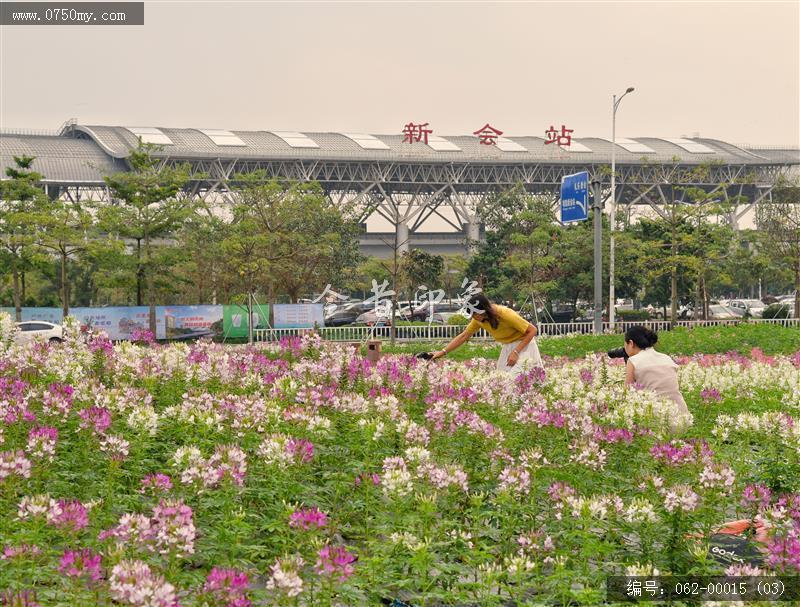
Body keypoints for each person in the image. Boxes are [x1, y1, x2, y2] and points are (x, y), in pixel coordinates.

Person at [431, 293, 542, 374]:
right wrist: (443, 352)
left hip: (524, 346)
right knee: (501, 380)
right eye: (473, 315)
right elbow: (464, 336)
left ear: (485, 308)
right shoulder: (478, 320)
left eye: (477, 313)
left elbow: (532, 330)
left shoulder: (506, 314)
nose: (475, 317)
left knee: (519, 378)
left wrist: (516, 352)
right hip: (508, 347)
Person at [623, 325, 692, 433]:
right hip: (681, 419)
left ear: (631, 343)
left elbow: (627, 394)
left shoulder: (633, 361)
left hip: (655, 424)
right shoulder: (666, 358)